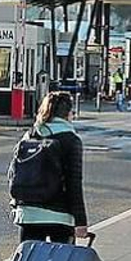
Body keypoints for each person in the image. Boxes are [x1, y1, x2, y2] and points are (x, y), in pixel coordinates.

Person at [10, 91, 88, 245]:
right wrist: (80, 222)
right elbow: (74, 184)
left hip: (28, 213)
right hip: (60, 216)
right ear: (69, 114)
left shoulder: (31, 135)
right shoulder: (70, 140)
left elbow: (14, 172)